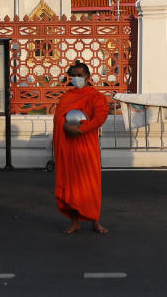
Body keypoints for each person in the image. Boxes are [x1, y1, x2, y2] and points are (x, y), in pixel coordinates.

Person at [53, 62, 110, 234]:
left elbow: (99, 118)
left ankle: (95, 221)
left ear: (88, 77)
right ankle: (75, 221)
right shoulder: (67, 98)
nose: (76, 78)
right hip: (70, 145)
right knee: (72, 184)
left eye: (79, 75)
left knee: (91, 184)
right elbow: (58, 118)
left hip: (87, 145)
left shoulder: (95, 96)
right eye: (74, 75)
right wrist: (67, 127)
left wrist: (80, 129)